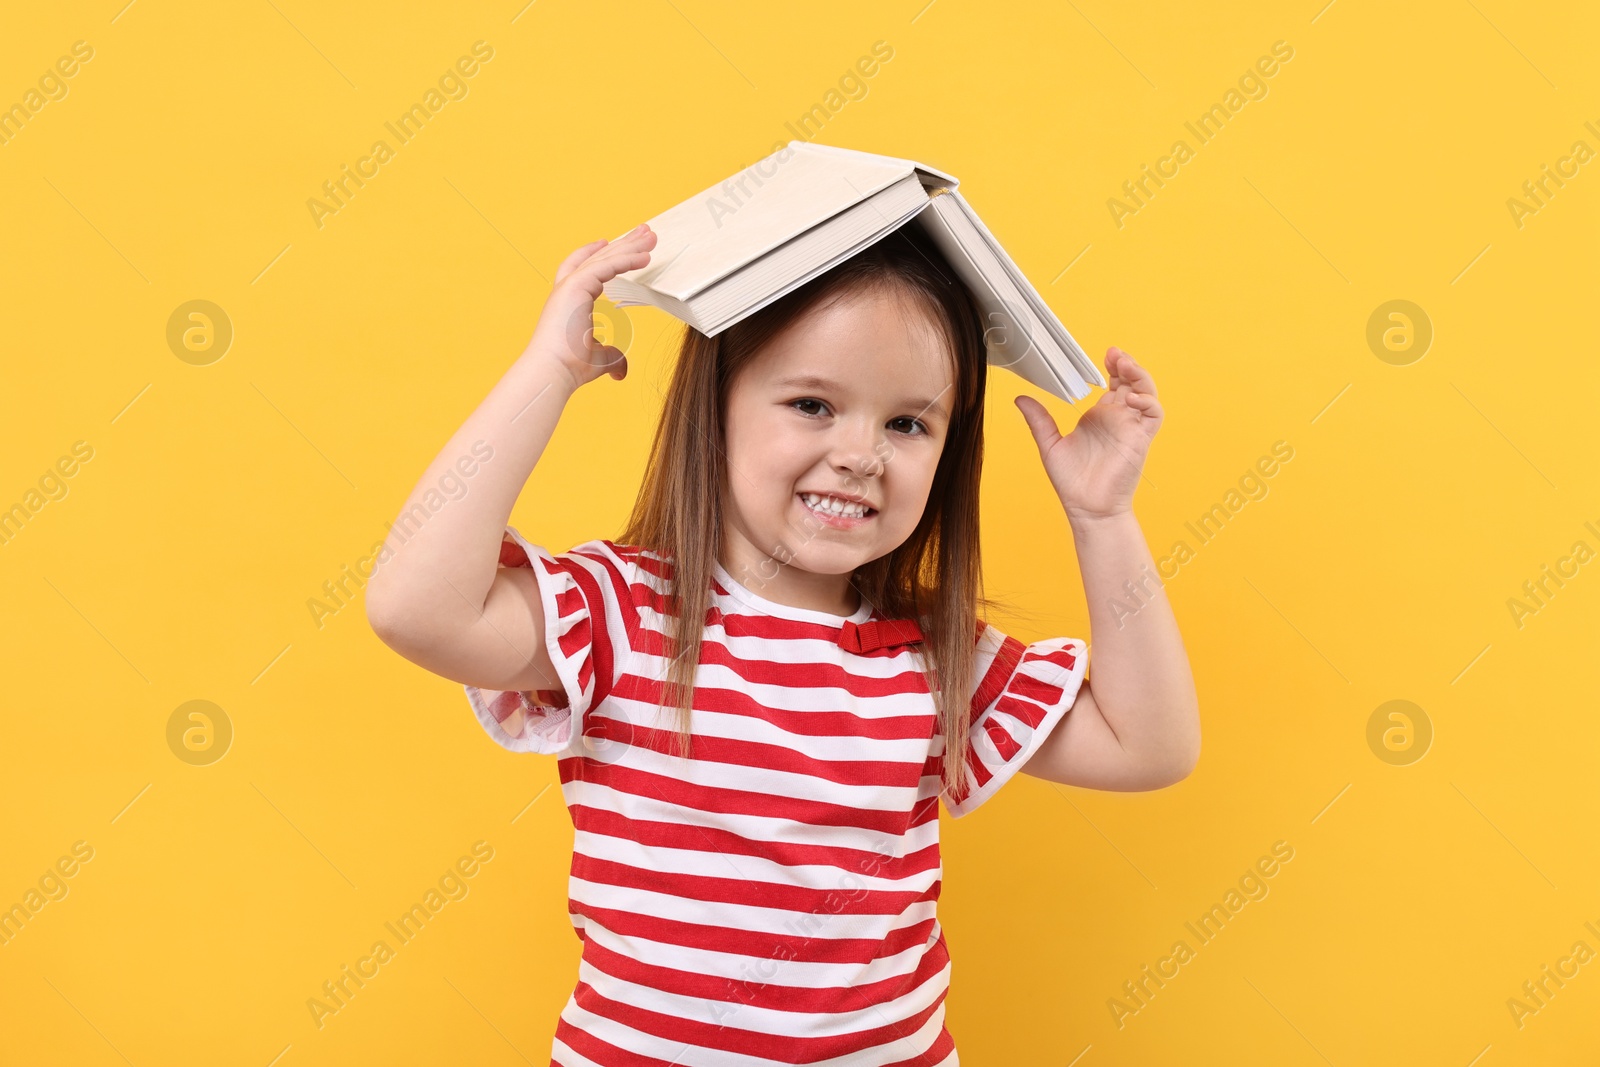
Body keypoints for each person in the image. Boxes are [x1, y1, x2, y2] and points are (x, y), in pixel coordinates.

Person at [365, 218, 1200, 1065]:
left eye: (908, 424)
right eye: (813, 404)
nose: (860, 455)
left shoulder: (933, 654)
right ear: (715, 408)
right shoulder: (623, 613)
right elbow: (414, 608)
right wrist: (546, 371)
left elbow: (1151, 746)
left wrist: (1103, 518)